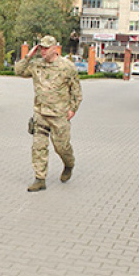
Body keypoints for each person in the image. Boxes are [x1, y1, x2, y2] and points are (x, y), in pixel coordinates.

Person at [15, 35, 82, 192]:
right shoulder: (37, 64)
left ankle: (69, 164)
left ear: (55, 49)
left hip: (59, 115)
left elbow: (76, 91)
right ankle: (40, 179)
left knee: (62, 147)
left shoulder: (67, 67)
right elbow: (19, 71)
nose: (43, 51)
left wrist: (73, 109)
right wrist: (29, 54)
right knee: (38, 147)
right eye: (41, 48)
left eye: (46, 48)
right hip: (40, 113)